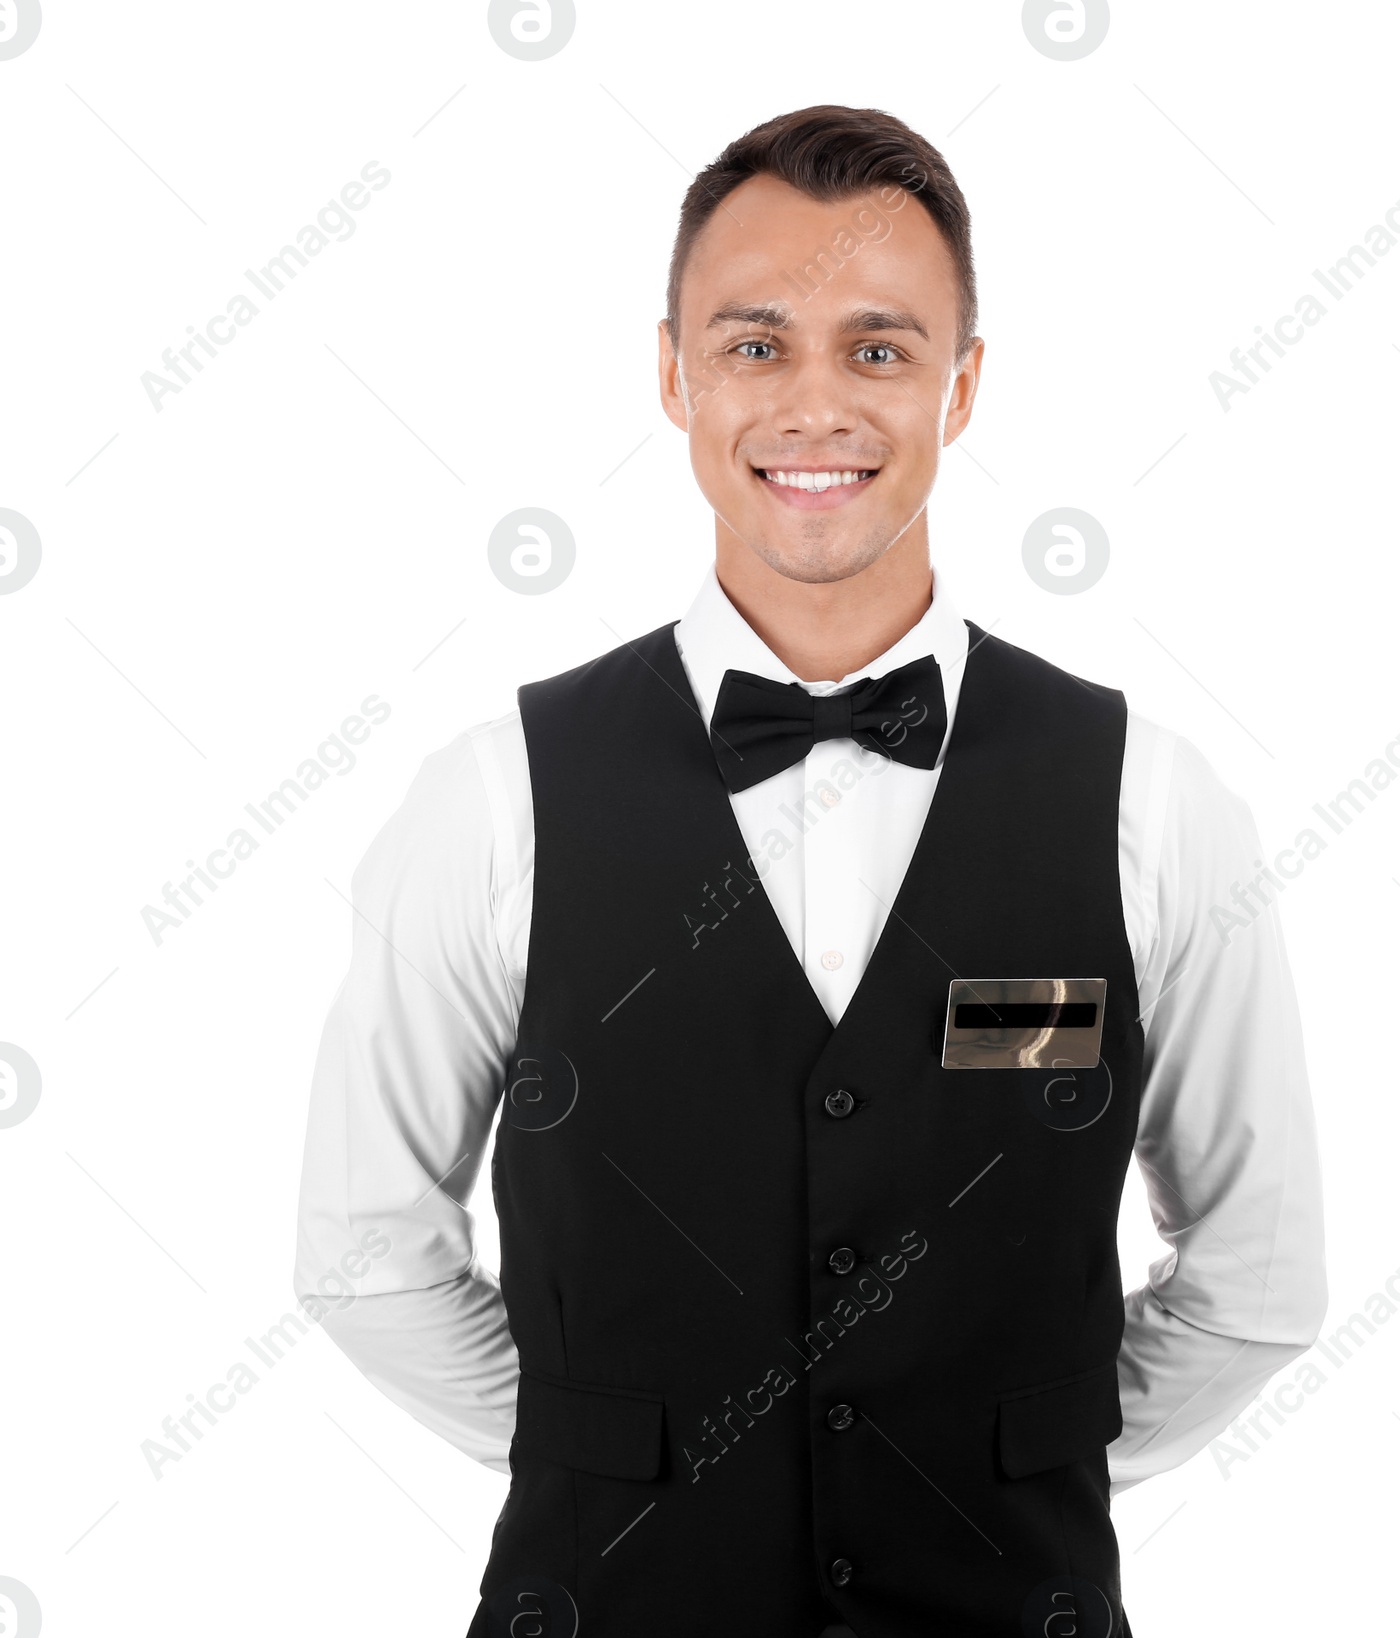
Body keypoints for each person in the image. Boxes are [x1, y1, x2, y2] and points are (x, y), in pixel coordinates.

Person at [293, 103, 1328, 1638]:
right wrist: (605, 1450)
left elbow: (1258, 1280)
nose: (817, 405)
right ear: (674, 375)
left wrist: (1023, 1459)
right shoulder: (493, 797)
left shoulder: (1155, 802)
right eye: (757, 344)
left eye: (881, 348)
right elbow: (364, 1251)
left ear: (963, 387)